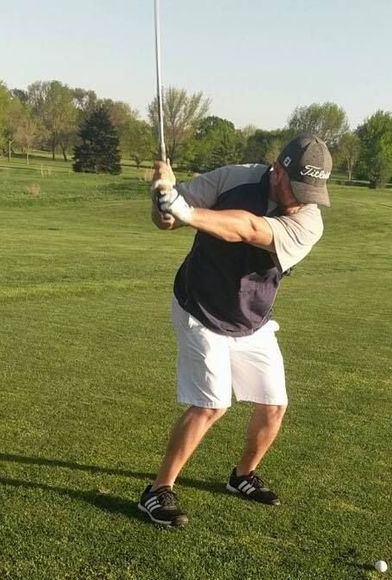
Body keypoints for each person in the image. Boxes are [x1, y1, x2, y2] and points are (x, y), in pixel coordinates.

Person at [138, 135, 332, 527]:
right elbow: (167, 220)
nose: (303, 199)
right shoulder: (233, 179)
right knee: (212, 404)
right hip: (199, 305)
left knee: (274, 404)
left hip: (251, 319)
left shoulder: (309, 221)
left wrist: (183, 208)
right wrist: (162, 196)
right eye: (298, 188)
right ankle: (157, 490)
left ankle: (242, 475)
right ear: (277, 172)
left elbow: (248, 228)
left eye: (312, 192)